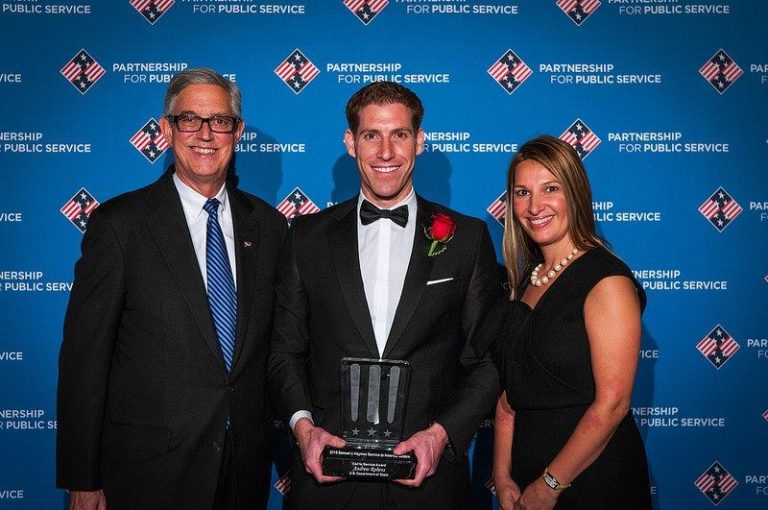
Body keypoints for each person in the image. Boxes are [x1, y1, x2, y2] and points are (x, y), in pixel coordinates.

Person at [56, 68, 287, 510]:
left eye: (220, 121)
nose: (205, 134)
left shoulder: (269, 226)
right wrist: (82, 479)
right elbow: (85, 361)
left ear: (237, 132)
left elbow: (276, 350)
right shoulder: (120, 226)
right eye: (189, 119)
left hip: (242, 473)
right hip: (148, 474)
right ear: (166, 129)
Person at [268, 81, 504, 509]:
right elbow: (284, 352)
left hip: (428, 480)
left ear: (419, 141)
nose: (386, 152)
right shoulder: (305, 237)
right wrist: (304, 429)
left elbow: (486, 360)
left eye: (399, 134)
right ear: (350, 143)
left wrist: (440, 435)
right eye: (371, 135)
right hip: (327, 478)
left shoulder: (467, 239)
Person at [492, 135, 651, 509]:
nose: (535, 206)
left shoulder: (607, 281)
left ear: (575, 193)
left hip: (591, 482)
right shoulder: (525, 280)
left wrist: (550, 485)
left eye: (550, 189)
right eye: (522, 193)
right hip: (526, 481)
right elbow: (509, 397)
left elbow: (612, 404)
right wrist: (501, 475)